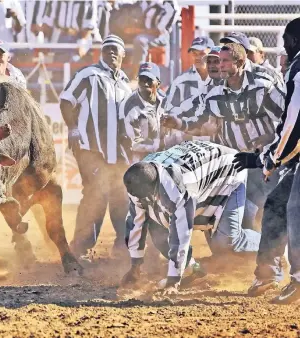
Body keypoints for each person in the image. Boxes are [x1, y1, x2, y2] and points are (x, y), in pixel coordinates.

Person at [163, 43, 285, 230]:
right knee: (238, 216)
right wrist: (178, 123)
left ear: (241, 62)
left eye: (225, 61)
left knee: (272, 209)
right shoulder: (214, 93)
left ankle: (274, 255)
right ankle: (245, 255)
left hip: (262, 161)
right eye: (219, 61)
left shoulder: (262, 85)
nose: (220, 65)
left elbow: (286, 120)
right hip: (234, 163)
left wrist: (271, 150)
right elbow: (199, 123)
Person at [121, 141, 260, 295]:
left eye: (147, 197)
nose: (142, 202)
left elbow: (181, 234)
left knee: (226, 242)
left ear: (155, 186)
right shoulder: (140, 178)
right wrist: (135, 266)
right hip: (202, 171)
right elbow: (136, 222)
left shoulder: (180, 187)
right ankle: (193, 270)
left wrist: (173, 282)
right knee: (157, 223)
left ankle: (272, 246)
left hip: (230, 171)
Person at [234, 17, 300, 304]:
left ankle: (297, 281)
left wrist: (273, 158)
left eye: (286, 39)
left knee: (295, 212)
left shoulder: (298, 69)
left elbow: (293, 122)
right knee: (278, 204)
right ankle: (267, 274)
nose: (283, 45)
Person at [59, 34, 132, 257]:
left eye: (115, 49)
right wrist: (73, 128)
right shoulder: (88, 74)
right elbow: (66, 101)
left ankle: (123, 247)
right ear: (100, 52)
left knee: (121, 195)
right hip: (91, 149)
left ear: (123, 54)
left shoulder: (125, 82)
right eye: (107, 48)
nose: (111, 52)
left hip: (117, 152)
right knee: (95, 194)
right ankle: (79, 250)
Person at [162, 36, 214, 147]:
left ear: (212, 53)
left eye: (201, 53)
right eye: (194, 54)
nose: (197, 57)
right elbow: (168, 113)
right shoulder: (180, 81)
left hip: (216, 140)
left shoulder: (222, 79)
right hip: (187, 141)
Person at [121, 62, 165, 163]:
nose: (145, 84)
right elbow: (133, 144)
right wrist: (158, 145)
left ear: (158, 83)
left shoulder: (165, 100)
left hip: (164, 158)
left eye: (149, 80)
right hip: (140, 162)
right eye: (142, 79)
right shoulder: (130, 106)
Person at [129, 0, 179, 79]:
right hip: (144, 33)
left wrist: (137, 30)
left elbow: (159, 31)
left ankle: (137, 74)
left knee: (140, 40)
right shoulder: (146, 2)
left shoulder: (170, 5)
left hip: (160, 37)